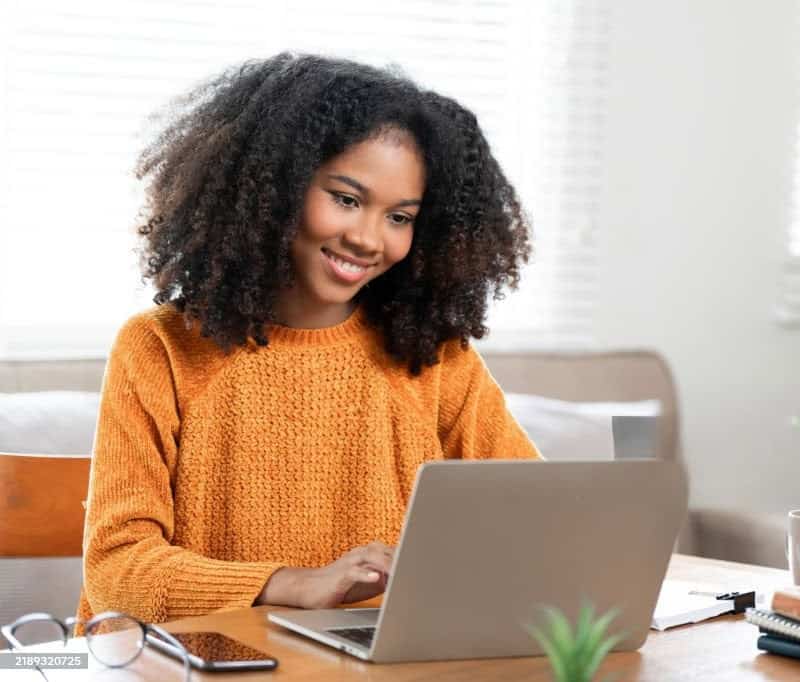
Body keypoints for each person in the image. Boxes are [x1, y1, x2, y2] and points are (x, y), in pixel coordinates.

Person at [76, 53, 542, 628]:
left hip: (377, 664)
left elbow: (536, 517)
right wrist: (292, 585)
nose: (368, 238)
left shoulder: (435, 358)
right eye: (346, 199)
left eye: (400, 217)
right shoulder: (160, 348)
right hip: (198, 664)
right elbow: (116, 569)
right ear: (274, 187)